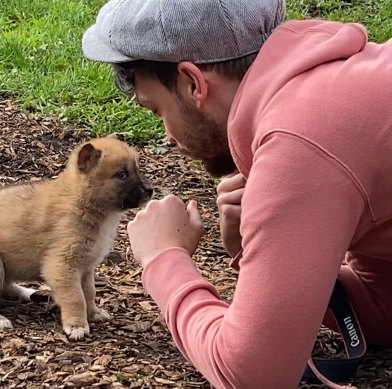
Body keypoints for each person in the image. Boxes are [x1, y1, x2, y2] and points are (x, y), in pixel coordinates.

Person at [82, 0, 392, 388]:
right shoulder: (341, 91)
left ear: (193, 83)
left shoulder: (300, 140)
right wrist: (254, 252)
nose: (168, 136)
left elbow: (253, 375)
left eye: (156, 110)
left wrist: (164, 260)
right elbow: (384, 306)